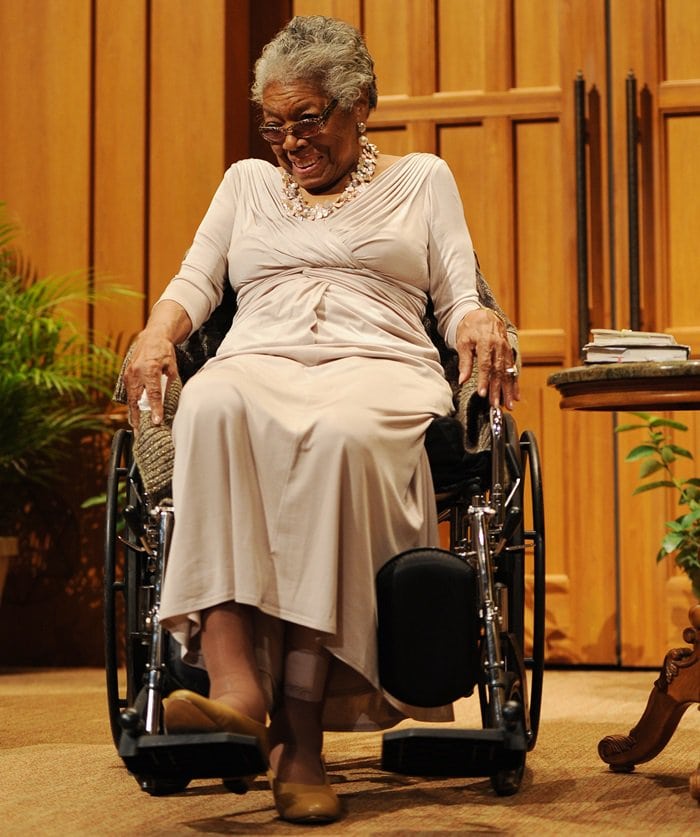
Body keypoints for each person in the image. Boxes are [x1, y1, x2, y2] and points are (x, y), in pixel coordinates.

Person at [124, 15, 519, 825]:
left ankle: (298, 729)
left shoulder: (422, 179)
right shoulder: (245, 185)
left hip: (380, 368)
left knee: (339, 434)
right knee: (211, 403)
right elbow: (194, 282)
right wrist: (158, 332)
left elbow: (454, 293)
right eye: (275, 124)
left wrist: (478, 317)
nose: (291, 143)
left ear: (360, 104)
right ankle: (235, 684)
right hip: (257, 361)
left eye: (309, 120)